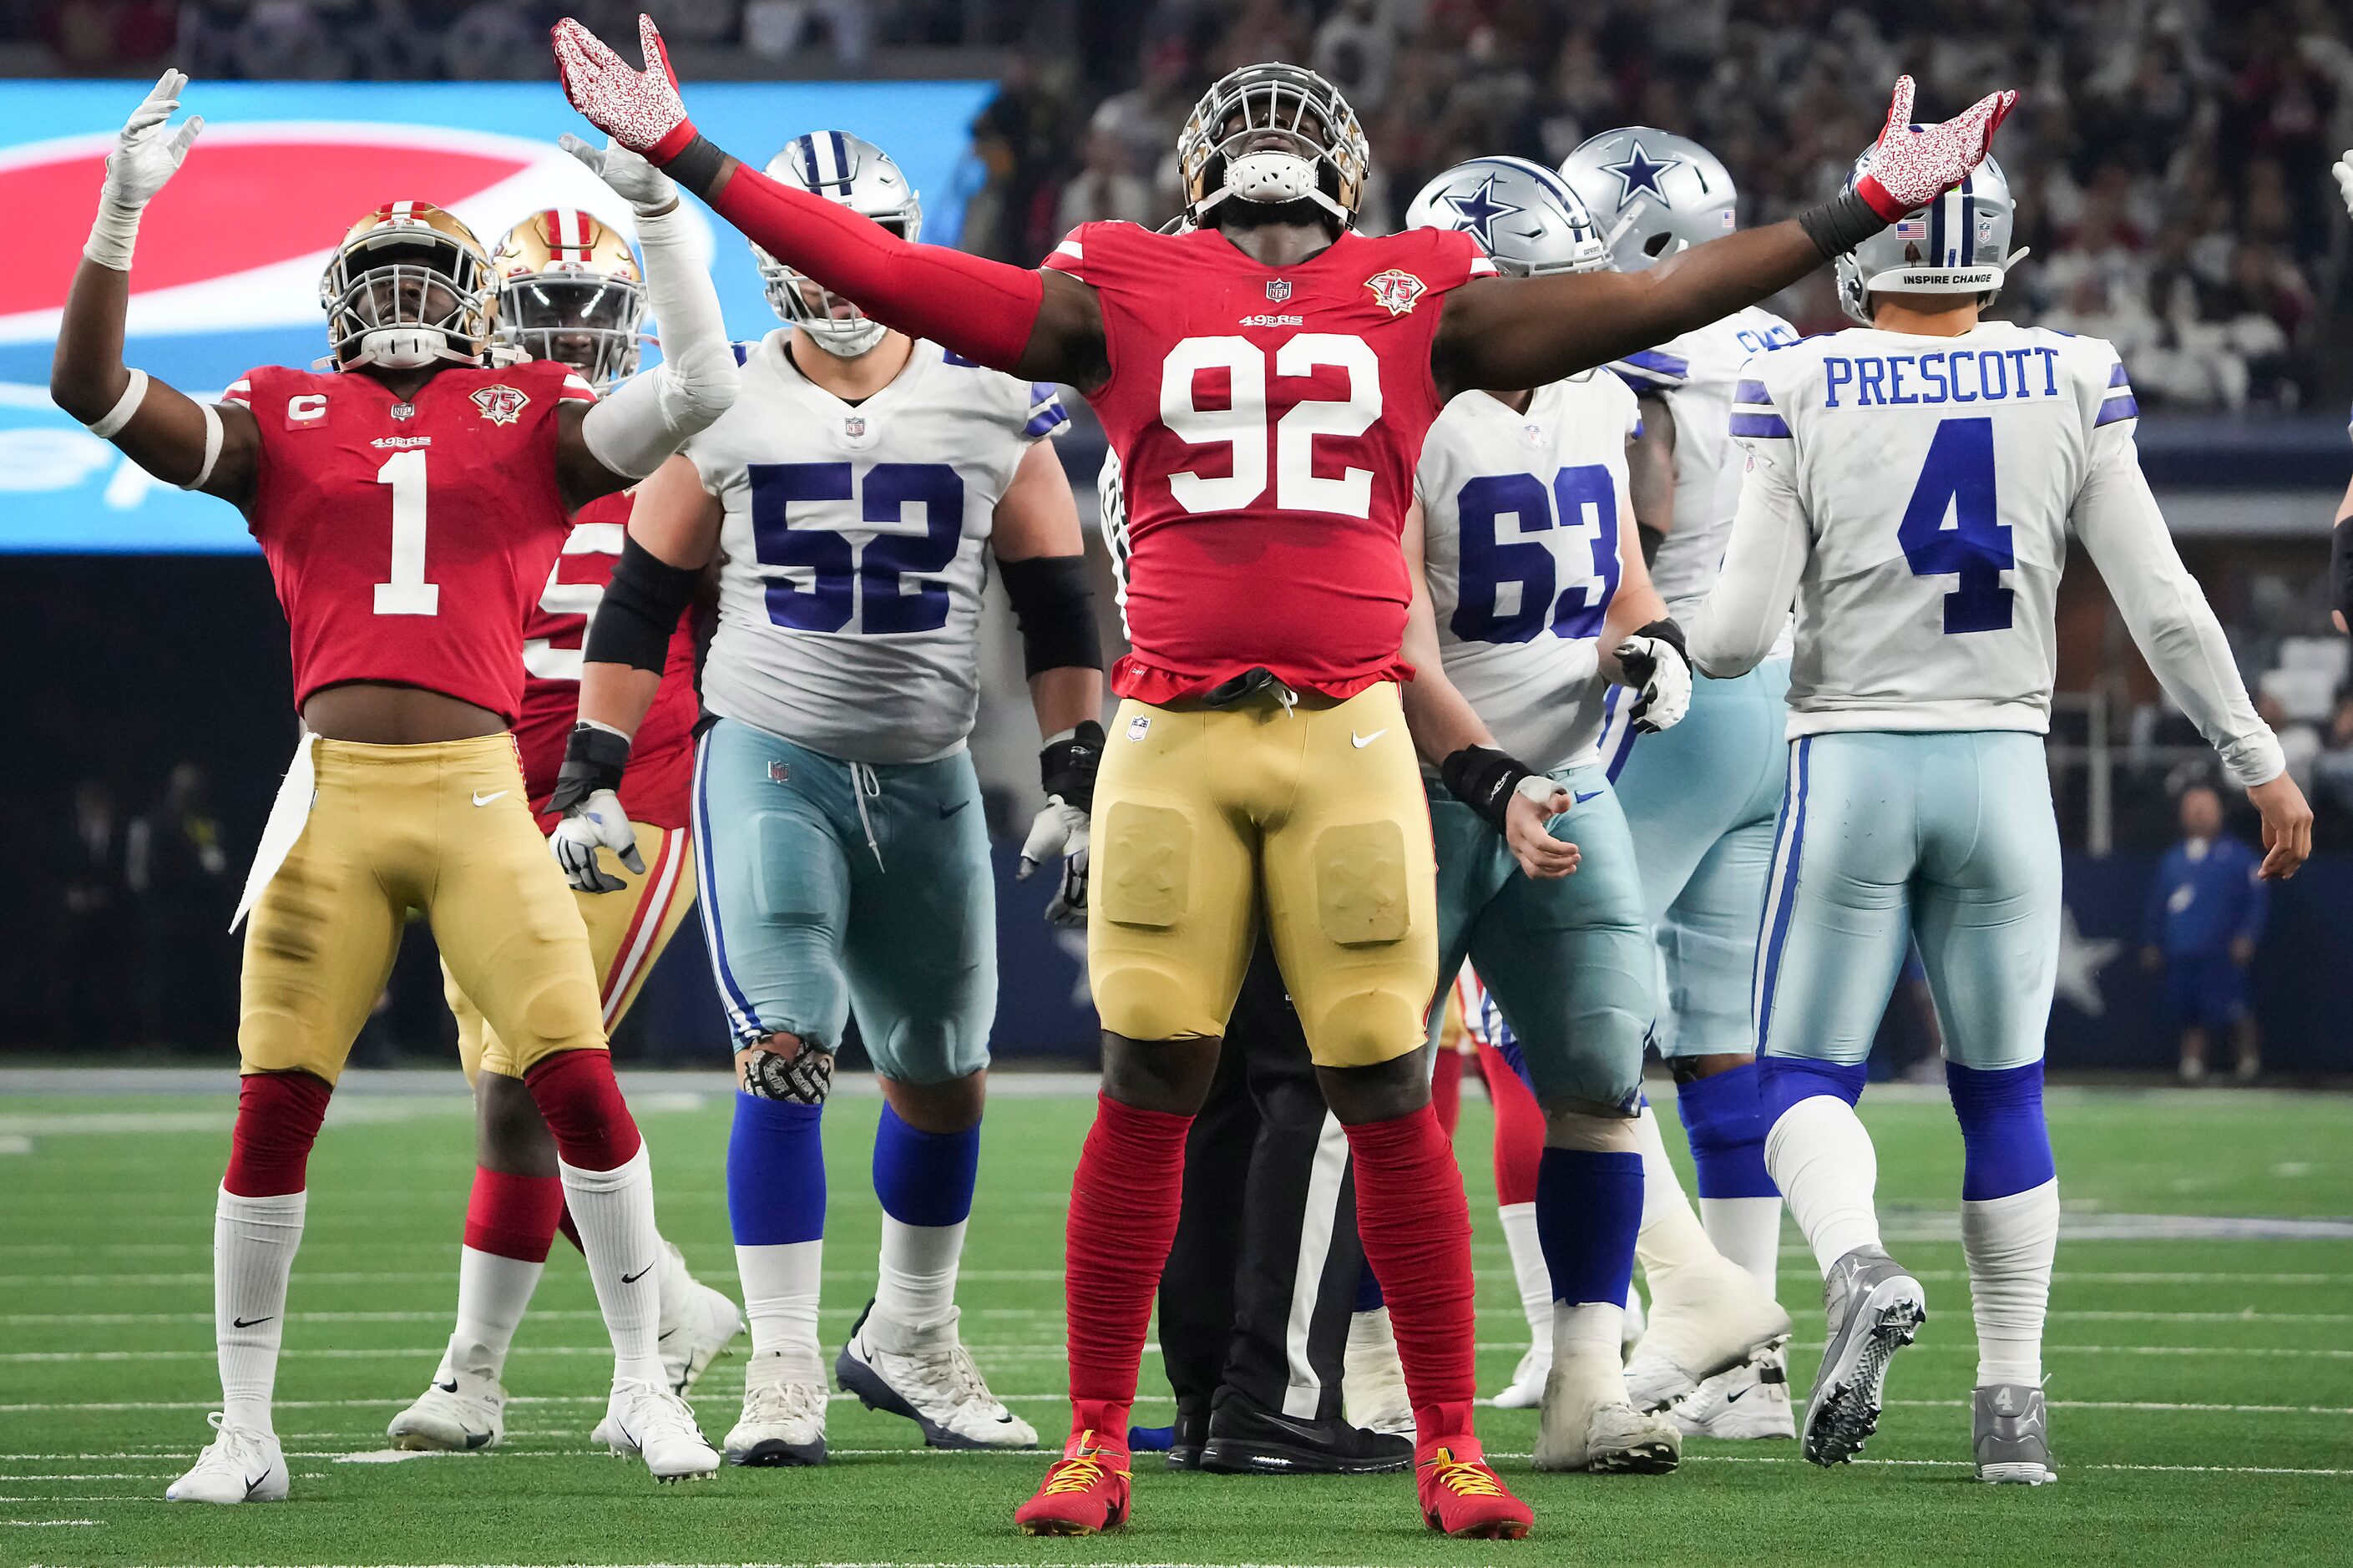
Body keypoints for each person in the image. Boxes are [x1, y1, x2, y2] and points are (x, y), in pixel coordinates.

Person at [553, 17, 2014, 1536]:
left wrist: (1857, 209)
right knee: (1149, 1085)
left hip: (1348, 730)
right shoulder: (1140, 279)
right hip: (1181, 733)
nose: (1269, 150)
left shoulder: (1413, 293)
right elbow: (895, 275)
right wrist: (682, 156)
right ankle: (1102, 1438)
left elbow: (1645, 297)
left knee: (1384, 1089)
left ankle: (1443, 1439)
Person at [49, 73, 739, 1500]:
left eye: (436, 271)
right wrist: (118, 216)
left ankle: (642, 1381)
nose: (410, 295)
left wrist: (663, 221)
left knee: (571, 1079)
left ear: (477, 301)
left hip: (486, 790)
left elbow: (699, 392)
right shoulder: (278, 414)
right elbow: (93, 392)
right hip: (338, 796)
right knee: (274, 1100)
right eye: (386, 275)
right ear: (337, 302)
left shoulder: (531, 405)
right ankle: (244, 1426)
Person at [1688, 149, 2311, 1485]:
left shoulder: (1795, 376)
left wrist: (1651, 642)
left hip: (1852, 764)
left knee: (1798, 1078)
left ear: (1869, 254)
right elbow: (2164, 605)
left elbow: (1735, 635)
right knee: (2003, 1091)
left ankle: (1856, 1264)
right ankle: (2011, 1413)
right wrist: (2254, 756)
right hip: (2006, 769)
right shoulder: (2071, 371)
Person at [558, 132, 1096, 1467]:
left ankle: (908, 1333)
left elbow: (1056, 610)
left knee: (945, 1071)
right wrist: (592, 772)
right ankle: (785, 1361)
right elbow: (637, 606)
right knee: (788, 1043)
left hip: (928, 779)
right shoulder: (722, 401)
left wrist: (1078, 775)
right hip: (774, 760)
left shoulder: (990, 403)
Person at [386, 208, 740, 1454]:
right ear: (494, 325)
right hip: (485, 798)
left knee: (526, 1081)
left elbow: (735, 611)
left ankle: (475, 1375)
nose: (577, 338)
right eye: (546, 312)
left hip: (629, 800)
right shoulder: (471, 449)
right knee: (515, 1089)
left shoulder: (673, 443)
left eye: (599, 309)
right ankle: (678, 1305)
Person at [1398, 154, 1705, 1475]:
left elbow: (1621, 586)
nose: (1576, 307)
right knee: (1378, 1088)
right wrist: (1491, 778)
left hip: (1565, 780)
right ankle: (1353, 1377)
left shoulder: (1594, 394)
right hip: (1409, 787)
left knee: (1596, 1072)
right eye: (1548, 286)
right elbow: (1394, 639)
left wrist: (1656, 650)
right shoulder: (1396, 408)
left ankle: (1586, 1378)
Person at [1558, 125, 1809, 1442]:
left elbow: (1634, 512)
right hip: (1784, 699)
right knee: (1720, 1037)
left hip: (1680, 680)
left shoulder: (1642, 349)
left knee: (1536, 1008)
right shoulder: (1778, 334)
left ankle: (1678, 1303)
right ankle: (1751, 1380)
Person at [2141, 785, 2269, 1083]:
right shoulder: (2173, 859)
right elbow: (2158, 904)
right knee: (2189, 1011)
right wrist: (2152, 941)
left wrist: (2248, 935)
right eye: (2193, 809)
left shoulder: (2239, 857)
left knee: (2236, 1008)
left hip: (2223, 949)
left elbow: (2256, 901)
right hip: (2183, 948)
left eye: (2205, 809)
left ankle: (2248, 1062)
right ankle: (2192, 1063)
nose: (2198, 816)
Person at [127, 762, 237, 1050]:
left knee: (202, 979)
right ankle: (160, 1037)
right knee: (166, 980)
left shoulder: (208, 823)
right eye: (184, 790)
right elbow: (152, 872)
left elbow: (223, 862)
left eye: (194, 790)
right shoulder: (159, 823)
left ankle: (200, 1038)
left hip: (204, 917)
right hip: (170, 917)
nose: (190, 796)